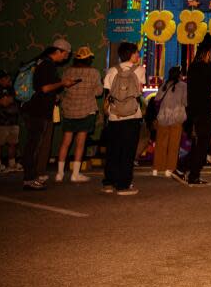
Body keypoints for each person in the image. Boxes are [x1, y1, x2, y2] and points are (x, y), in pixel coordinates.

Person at [21, 39, 76, 190]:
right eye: (65, 54)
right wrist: (62, 83)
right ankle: (29, 178)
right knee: (34, 144)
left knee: (33, 143)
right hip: (38, 110)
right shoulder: (47, 65)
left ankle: (32, 176)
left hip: (33, 108)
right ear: (58, 51)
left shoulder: (40, 62)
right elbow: (44, 88)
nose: (66, 57)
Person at [172, 41, 211, 187]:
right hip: (207, 110)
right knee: (203, 144)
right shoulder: (209, 68)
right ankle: (190, 174)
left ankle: (183, 171)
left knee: (199, 143)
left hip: (194, 111)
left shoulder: (192, 68)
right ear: (207, 54)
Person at [102, 42, 146, 196]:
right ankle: (123, 185)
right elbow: (140, 91)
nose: (138, 56)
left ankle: (109, 182)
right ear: (132, 54)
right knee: (128, 151)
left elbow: (107, 91)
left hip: (115, 115)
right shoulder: (139, 70)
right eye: (136, 53)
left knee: (114, 150)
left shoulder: (112, 70)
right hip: (132, 115)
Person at [56, 46, 103, 183]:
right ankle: (75, 174)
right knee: (80, 143)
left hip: (69, 110)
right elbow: (99, 92)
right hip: (86, 110)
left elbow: (63, 89)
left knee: (65, 142)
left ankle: (59, 174)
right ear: (89, 59)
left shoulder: (67, 71)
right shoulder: (94, 73)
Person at [153, 66, 187, 177]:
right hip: (177, 117)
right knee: (174, 144)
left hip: (162, 117)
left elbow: (157, 99)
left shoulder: (164, 84)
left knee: (160, 143)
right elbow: (185, 102)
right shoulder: (183, 86)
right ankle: (170, 169)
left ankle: (156, 168)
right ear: (179, 75)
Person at [0, 70, 21, 173]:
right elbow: (3, 102)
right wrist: (11, 98)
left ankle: (12, 164)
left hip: (13, 121)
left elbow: (17, 98)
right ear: (0, 80)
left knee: (13, 143)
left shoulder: (12, 89)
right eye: (6, 78)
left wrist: (11, 98)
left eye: (8, 77)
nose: (9, 79)